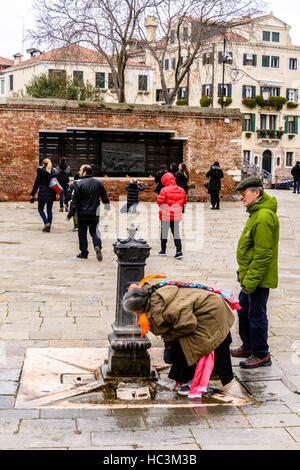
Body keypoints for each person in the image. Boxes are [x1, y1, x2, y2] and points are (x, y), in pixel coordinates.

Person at [122, 278, 245, 398]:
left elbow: (188, 326)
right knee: (178, 339)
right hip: (203, 307)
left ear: (140, 308)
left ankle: (191, 379)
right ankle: (192, 375)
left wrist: (169, 336)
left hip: (212, 314)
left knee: (189, 344)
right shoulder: (149, 291)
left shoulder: (170, 310)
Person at [231, 176, 279, 369]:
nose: (241, 197)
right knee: (243, 310)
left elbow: (263, 254)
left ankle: (261, 353)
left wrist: (250, 281)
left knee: (256, 315)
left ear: (256, 192)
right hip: (249, 276)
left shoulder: (264, 216)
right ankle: (248, 345)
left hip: (258, 278)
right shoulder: (256, 213)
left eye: (244, 193)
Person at [66, 165, 111, 261]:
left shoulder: (79, 184)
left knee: (82, 233)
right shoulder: (98, 183)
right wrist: (107, 207)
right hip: (95, 212)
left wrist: (70, 213)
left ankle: (84, 252)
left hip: (82, 213)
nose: (79, 172)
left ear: (85, 172)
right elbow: (104, 197)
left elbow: (75, 201)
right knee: (94, 231)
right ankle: (97, 245)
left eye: (81, 170)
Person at [157, 172, 186, 259]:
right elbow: (184, 201)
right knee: (176, 233)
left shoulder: (164, 190)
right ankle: (179, 251)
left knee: (164, 233)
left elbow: (159, 202)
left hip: (166, 215)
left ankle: (163, 250)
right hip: (176, 215)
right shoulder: (181, 190)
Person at [30, 158, 57, 232]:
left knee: (40, 209)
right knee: (49, 210)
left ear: (43, 164)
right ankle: (49, 226)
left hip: (43, 193)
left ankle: (46, 223)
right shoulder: (53, 172)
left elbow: (36, 183)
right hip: (51, 193)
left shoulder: (41, 172)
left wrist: (33, 194)